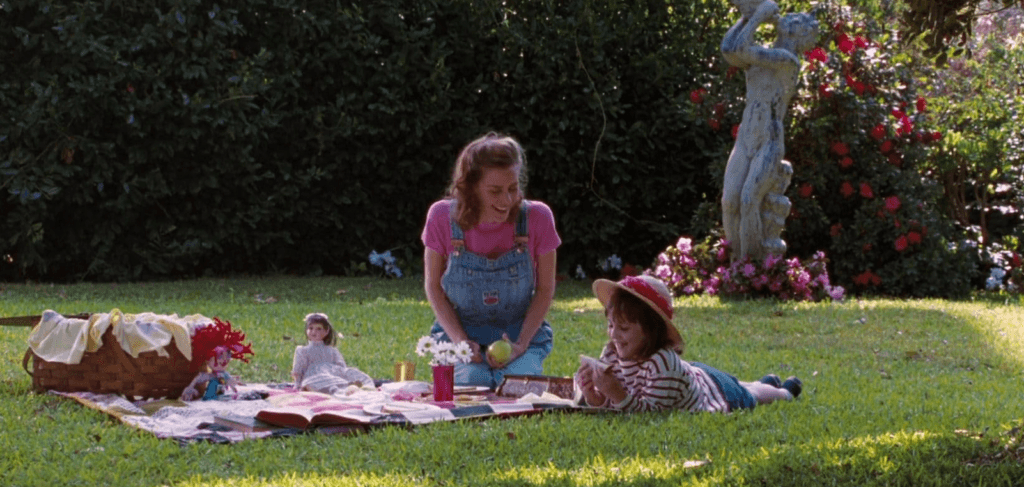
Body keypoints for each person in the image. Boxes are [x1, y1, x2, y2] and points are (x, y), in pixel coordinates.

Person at [422, 132, 561, 388]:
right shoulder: (441, 217)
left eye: (512, 188)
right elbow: (433, 287)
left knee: (518, 387)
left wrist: (520, 345)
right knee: (474, 384)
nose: (507, 200)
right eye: (495, 191)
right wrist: (460, 342)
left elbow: (544, 289)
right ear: (470, 187)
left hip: (519, 335)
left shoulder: (538, 217)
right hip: (460, 337)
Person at [574, 275, 802, 412]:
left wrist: (616, 393)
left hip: (714, 390)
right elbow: (615, 405)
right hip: (692, 374)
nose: (614, 334)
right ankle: (766, 381)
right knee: (746, 385)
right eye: (611, 325)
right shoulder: (613, 353)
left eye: (624, 328)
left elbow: (650, 414)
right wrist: (594, 395)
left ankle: (783, 393)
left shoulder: (662, 364)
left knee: (749, 395)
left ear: (651, 331)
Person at [720, 0, 819, 261]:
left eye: (797, 21)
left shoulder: (787, 61)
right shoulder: (761, 57)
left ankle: (750, 267)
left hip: (769, 139)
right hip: (745, 137)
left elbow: (742, 47)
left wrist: (757, 18)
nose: (789, 19)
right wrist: (745, 18)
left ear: (802, 36)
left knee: (749, 199)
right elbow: (729, 49)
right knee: (729, 201)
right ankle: (731, 266)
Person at [291, 312, 374, 393]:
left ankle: (345, 388)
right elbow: (298, 371)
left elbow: (341, 367)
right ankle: (340, 391)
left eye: (319, 329)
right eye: (311, 328)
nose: (313, 332)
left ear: (326, 331)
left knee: (348, 375)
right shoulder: (302, 350)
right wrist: (298, 384)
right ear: (306, 330)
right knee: (315, 382)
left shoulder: (332, 350)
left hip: (332, 375)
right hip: (313, 377)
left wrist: (341, 373)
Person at [181, 318, 255, 401]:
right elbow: (198, 379)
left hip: (220, 396)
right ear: (207, 359)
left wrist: (232, 381)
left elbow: (229, 381)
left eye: (226, 360)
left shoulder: (223, 375)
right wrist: (190, 388)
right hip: (209, 397)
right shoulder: (209, 376)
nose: (223, 362)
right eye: (217, 361)